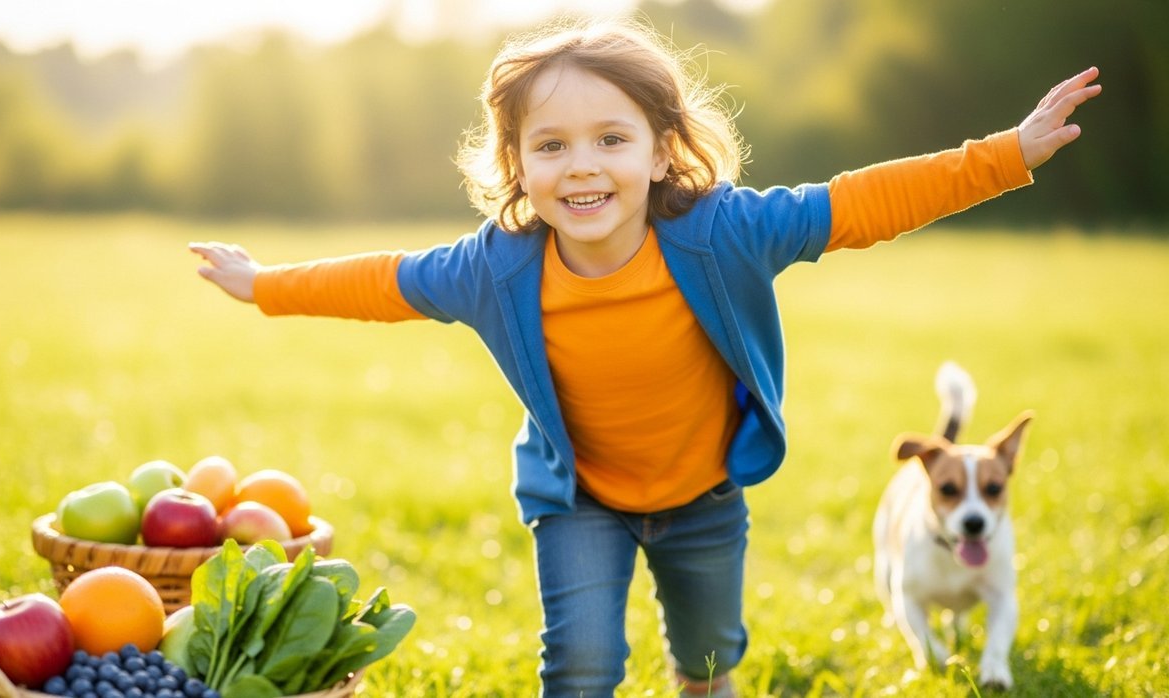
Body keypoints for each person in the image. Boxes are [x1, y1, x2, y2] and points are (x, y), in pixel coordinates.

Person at [189, 17, 1100, 698]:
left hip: (704, 497)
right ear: (516, 164)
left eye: (610, 140)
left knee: (708, 658)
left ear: (662, 152)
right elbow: (383, 281)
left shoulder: (725, 232)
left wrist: (1004, 155)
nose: (581, 168)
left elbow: (860, 203)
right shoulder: (496, 267)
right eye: (550, 146)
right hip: (581, 500)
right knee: (580, 664)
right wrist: (267, 284)